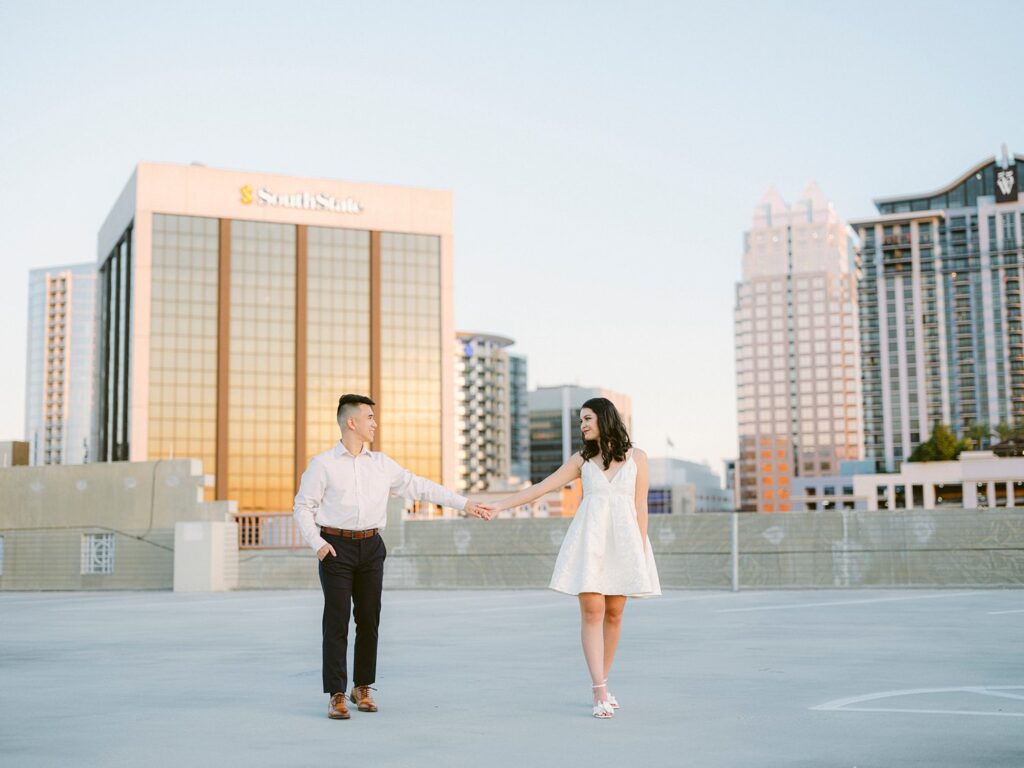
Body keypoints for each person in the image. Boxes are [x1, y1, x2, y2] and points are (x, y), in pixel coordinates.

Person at [293, 393, 493, 720]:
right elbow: (303, 507)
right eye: (369, 417)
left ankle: (363, 687)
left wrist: (465, 504)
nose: (375, 423)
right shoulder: (323, 465)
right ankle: (337, 694)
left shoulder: (382, 464)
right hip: (335, 548)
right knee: (337, 619)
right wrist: (317, 543)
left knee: (369, 618)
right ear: (351, 422)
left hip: (372, 547)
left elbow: (420, 487)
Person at [487, 397, 660, 719]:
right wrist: (500, 506)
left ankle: (604, 682)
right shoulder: (581, 459)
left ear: (605, 418)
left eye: (587, 418)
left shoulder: (638, 457)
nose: (582, 425)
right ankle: (599, 689)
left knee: (615, 613)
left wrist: (638, 546)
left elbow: (641, 505)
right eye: (581, 420)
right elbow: (542, 487)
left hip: (624, 542)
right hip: (590, 540)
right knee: (593, 611)